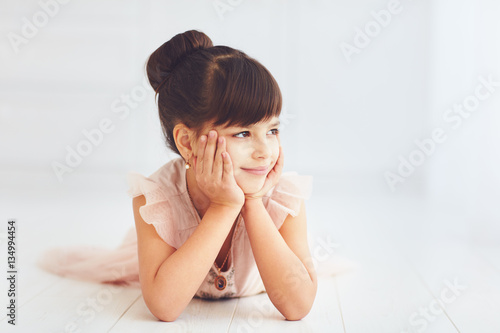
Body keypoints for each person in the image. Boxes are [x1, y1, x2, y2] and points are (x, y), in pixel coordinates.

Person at [39, 30, 317, 322]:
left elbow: (298, 306)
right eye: (243, 133)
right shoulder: (157, 197)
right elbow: (164, 307)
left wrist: (253, 202)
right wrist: (224, 206)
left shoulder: (283, 196)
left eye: (272, 130)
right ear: (187, 142)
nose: (264, 151)